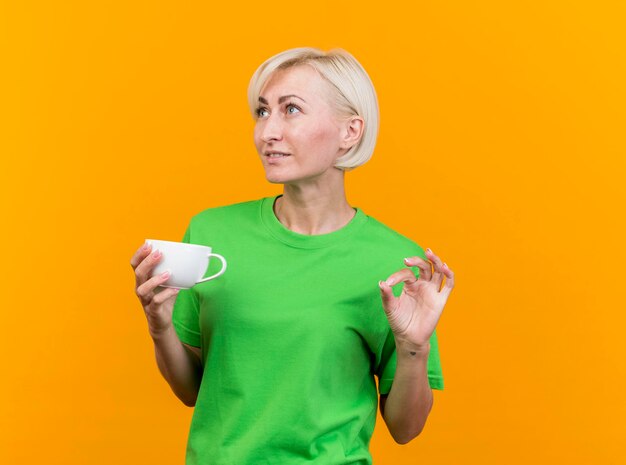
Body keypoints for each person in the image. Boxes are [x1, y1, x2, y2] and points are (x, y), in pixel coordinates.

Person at [130, 47, 455, 465]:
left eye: (292, 110)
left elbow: (406, 429)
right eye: (263, 112)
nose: (268, 132)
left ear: (350, 132)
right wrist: (160, 328)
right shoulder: (211, 234)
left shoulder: (396, 262)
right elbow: (192, 391)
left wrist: (413, 348)